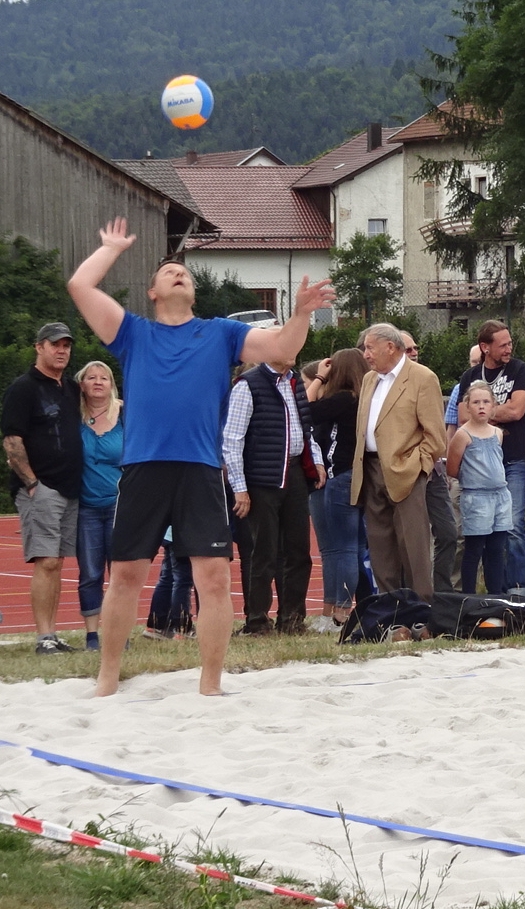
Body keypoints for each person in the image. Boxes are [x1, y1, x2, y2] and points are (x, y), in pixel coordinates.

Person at [68, 219, 335, 696]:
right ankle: (107, 678)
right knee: (126, 574)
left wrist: (300, 314)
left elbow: (283, 349)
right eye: (169, 272)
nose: (179, 275)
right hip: (144, 468)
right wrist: (110, 248)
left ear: (194, 293)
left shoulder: (220, 334)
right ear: (152, 292)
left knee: (212, 578)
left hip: (201, 469)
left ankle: (210, 683)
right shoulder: (133, 332)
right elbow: (80, 285)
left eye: (185, 274)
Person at [223, 359, 325, 635]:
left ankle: (292, 619)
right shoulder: (248, 385)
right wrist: (240, 487)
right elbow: (232, 439)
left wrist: (316, 460)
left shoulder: (295, 383)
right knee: (262, 552)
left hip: (293, 472)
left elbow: (305, 429)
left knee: (299, 552)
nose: (292, 352)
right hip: (261, 477)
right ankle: (256, 621)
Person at [2, 322, 83, 654]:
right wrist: (32, 483)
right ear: (39, 348)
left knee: (58, 562)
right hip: (43, 486)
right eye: (55, 344)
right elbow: (11, 440)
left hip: (69, 487)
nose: (61, 350)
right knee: (46, 561)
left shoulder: (70, 388)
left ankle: (53, 634)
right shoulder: (23, 388)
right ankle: (43, 636)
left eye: (66, 345)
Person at [352, 323, 447, 603]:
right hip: (370, 469)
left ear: (390, 347)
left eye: (370, 347)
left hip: (406, 471)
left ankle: (421, 607)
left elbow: (436, 436)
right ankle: (389, 608)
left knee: (413, 545)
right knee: (380, 545)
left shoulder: (422, 378)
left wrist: (418, 466)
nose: (366, 354)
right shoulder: (370, 379)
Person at [453, 320, 525, 597]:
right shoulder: (470, 377)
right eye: (503, 345)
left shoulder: (520, 370)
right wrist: (495, 411)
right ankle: (490, 592)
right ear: (485, 347)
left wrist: (484, 413)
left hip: (512, 461)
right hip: (478, 469)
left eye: (510, 343)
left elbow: (517, 411)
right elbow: (463, 417)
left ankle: (519, 588)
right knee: (479, 536)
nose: (509, 348)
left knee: (512, 524)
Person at [305, 348, 368, 629]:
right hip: (354, 474)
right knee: (342, 548)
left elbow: (304, 408)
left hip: (341, 475)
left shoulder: (344, 398)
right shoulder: (363, 399)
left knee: (342, 548)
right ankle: (331, 611)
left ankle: (340, 613)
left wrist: (319, 377)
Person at [399, 330, 459, 593]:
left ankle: (442, 592)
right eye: (408, 349)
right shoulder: (387, 388)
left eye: (415, 348)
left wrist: (432, 462)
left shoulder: (426, 381)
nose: (414, 353)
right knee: (409, 539)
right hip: (404, 472)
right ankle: (409, 594)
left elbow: (436, 428)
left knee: (448, 533)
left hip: (431, 470)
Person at [448, 380, 512, 595]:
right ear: (468, 406)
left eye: (486, 401)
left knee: (496, 548)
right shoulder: (463, 435)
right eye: (476, 402)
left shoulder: (498, 433)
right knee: (474, 549)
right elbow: (452, 467)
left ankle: (496, 595)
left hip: (500, 496)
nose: (482, 406)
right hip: (476, 498)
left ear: (493, 405)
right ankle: (468, 596)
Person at [74, 359, 122, 651]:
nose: (98, 382)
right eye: (91, 377)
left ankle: (119, 632)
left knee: (119, 573)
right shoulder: (73, 417)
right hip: (86, 506)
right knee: (90, 572)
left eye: (103, 377)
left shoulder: (125, 413)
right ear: (82, 384)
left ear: (111, 383)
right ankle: (92, 636)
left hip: (119, 504)